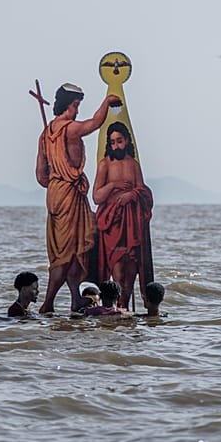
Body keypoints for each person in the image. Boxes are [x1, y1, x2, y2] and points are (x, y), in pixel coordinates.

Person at [36, 83, 121, 313]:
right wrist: (107, 102)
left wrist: (56, 182)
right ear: (66, 105)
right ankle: (48, 303)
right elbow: (95, 123)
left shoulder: (45, 135)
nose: (76, 111)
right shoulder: (69, 129)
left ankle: (75, 299)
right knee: (64, 254)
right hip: (68, 196)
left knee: (74, 252)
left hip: (56, 194)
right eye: (75, 106)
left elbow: (40, 175)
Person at [92, 121, 154, 310]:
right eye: (112, 142)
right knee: (117, 268)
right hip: (112, 224)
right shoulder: (105, 165)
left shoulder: (133, 165)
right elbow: (96, 197)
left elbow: (142, 190)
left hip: (131, 225)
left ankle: (124, 308)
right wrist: (113, 186)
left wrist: (132, 194)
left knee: (131, 269)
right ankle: (113, 306)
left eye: (119, 141)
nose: (116, 146)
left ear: (127, 140)